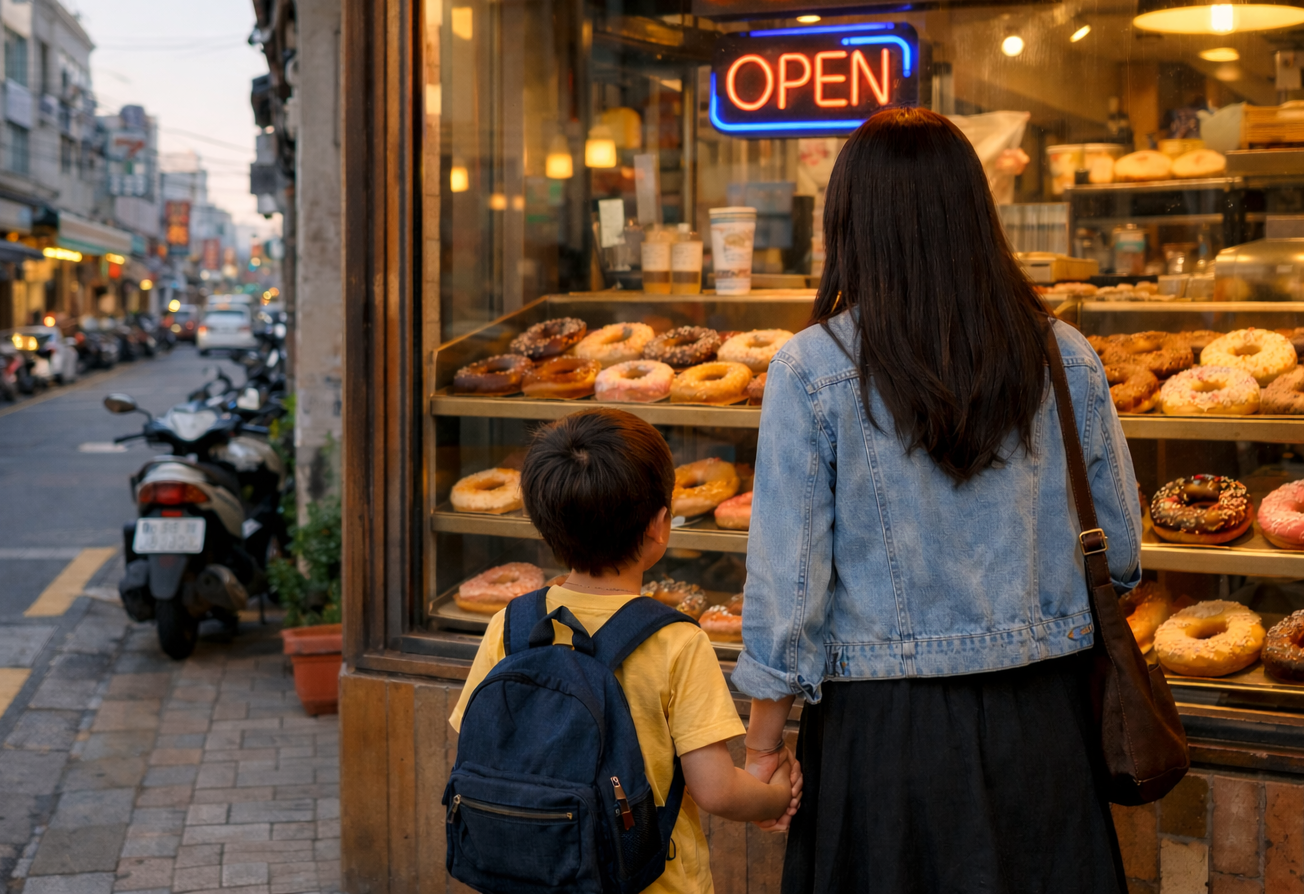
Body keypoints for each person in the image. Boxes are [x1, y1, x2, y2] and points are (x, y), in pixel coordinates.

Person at [735, 107, 1143, 894]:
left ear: (849, 221)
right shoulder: (1065, 353)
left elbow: (789, 596)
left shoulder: (812, 368)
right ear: (977, 214)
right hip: (1046, 724)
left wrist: (764, 748)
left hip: (882, 735)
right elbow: (1119, 557)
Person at [449, 408, 801, 894]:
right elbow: (717, 790)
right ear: (660, 524)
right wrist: (775, 796)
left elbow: (474, 745)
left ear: (540, 521)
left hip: (530, 876)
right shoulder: (675, 641)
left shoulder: (510, 625)